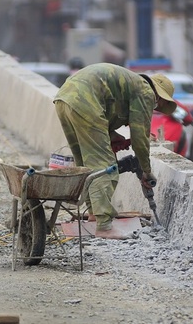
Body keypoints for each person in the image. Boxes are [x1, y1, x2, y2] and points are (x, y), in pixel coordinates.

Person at [53, 64, 176, 232]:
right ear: (159, 97)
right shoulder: (146, 92)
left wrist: (113, 136)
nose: (154, 108)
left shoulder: (130, 85)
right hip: (85, 100)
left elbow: (106, 115)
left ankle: (94, 215)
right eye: (157, 106)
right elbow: (140, 137)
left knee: (85, 165)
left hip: (64, 98)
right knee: (105, 167)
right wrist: (146, 170)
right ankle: (104, 225)